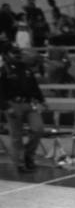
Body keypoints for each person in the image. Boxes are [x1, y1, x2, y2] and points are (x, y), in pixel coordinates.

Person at [0, 43, 47, 173]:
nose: (17, 54)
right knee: (16, 135)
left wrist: (42, 100)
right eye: (13, 52)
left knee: (38, 129)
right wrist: (5, 107)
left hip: (29, 103)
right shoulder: (3, 70)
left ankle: (28, 155)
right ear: (6, 55)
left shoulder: (26, 68)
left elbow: (34, 86)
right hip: (13, 104)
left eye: (18, 52)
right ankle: (20, 164)